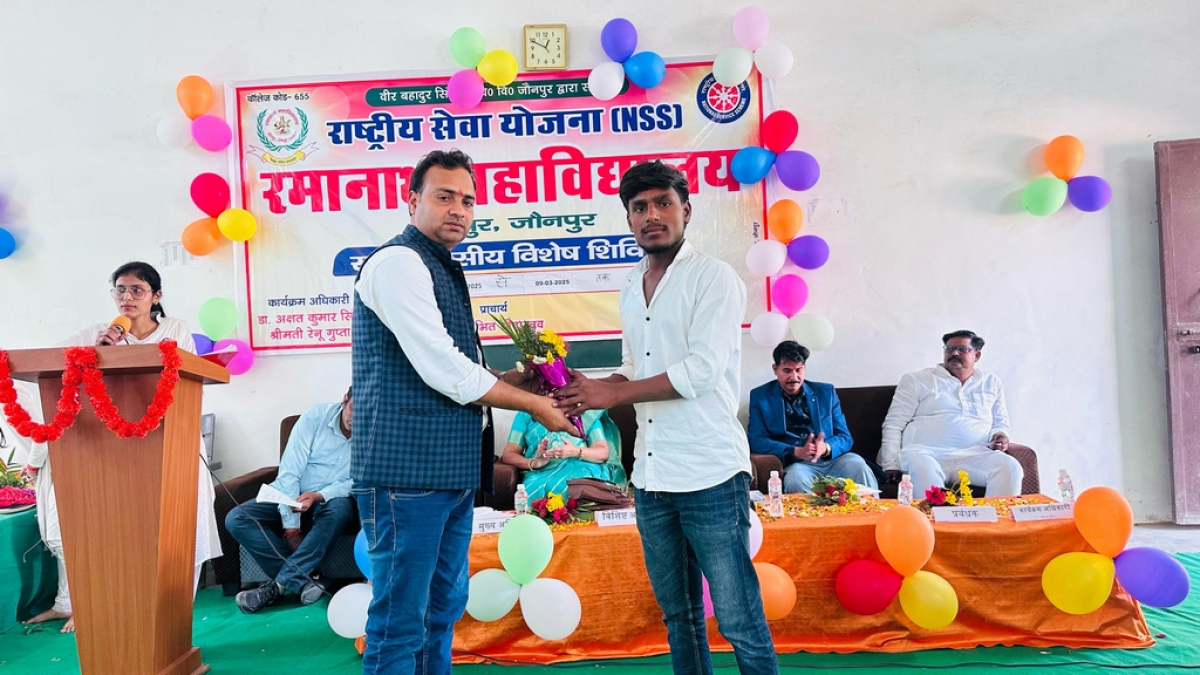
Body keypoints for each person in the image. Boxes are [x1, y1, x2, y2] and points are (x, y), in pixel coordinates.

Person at [350, 148, 577, 674]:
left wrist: (513, 382)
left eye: (469, 201)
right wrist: (532, 404)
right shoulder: (398, 263)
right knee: (400, 622)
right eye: (445, 196)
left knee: (442, 610)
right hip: (406, 474)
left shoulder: (438, 265)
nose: (459, 209)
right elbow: (443, 369)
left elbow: (457, 370)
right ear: (412, 200)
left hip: (448, 471)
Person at [555, 161, 778, 675]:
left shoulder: (714, 278)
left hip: (709, 473)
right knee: (679, 616)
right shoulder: (631, 283)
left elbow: (701, 371)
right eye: (639, 207)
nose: (651, 215)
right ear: (629, 219)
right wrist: (583, 393)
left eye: (663, 203)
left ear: (686, 210)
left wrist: (613, 393)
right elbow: (634, 366)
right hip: (652, 476)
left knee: (739, 619)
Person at [23, 261, 222, 634]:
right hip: (114, 451)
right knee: (114, 533)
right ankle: (99, 608)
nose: (127, 297)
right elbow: (52, 367)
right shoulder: (97, 333)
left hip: (167, 442)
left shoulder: (175, 328)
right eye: (120, 289)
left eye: (137, 290)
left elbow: (180, 375)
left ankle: (169, 622)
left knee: (173, 535)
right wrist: (98, 352)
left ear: (155, 296)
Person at [226, 388, 355, 613]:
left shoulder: (377, 432)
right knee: (237, 518)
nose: (359, 419)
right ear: (345, 400)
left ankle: (277, 586)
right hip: (290, 494)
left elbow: (358, 481)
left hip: (329, 499)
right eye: (356, 409)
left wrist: (318, 495)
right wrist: (292, 528)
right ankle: (308, 579)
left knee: (340, 509)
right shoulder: (315, 417)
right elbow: (290, 472)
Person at [879, 330, 1023, 497]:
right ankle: (930, 515)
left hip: (976, 454)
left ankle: (996, 515)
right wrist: (890, 464)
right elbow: (894, 423)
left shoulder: (991, 383)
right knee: (924, 470)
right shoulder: (917, 380)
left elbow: (1000, 422)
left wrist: (1001, 435)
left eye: (962, 349)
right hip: (925, 453)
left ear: (976, 355)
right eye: (949, 349)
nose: (954, 353)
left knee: (1010, 467)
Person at [748, 341, 877, 494]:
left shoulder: (826, 392)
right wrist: (794, 451)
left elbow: (845, 437)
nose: (794, 377)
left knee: (859, 466)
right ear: (775, 369)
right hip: (798, 464)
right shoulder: (760, 396)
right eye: (787, 370)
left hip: (833, 460)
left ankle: (874, 510)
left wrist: (826, 448)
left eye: (799, 370)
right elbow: (757, 440)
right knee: (795, 480)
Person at [499, 408, 626, 500]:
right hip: (540, 473)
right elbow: (509, 454)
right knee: (531, 490)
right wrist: (534, 463)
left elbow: (602, 452)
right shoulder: (526, 413)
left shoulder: (583, 410)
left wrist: (576, 451)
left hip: (582, 468)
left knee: (584, 488)